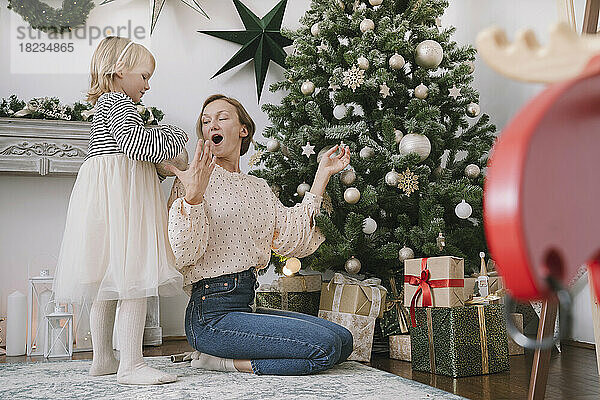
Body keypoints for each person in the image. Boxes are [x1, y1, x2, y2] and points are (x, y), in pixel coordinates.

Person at [165, 94, 354, 375]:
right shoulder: (192, 179)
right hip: (210, 314)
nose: (211, 125)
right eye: (206, 121)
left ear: (243, 129)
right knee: (324, 348)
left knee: (344, 341)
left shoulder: (259, 187)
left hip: (245, 303)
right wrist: (192, 197)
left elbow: (293, 238)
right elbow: (183, 253)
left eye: (221, 118)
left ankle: (218, 356)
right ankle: (221, 362)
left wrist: (322, 174)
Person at [53, 37, 187, 385]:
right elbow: (136, 145)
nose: (148, 84)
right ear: (119, 71)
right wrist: (173, 134)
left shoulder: (103, 107)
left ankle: (103, 358)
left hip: (104, 198)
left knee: (106, 283)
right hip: (124, 198)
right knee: (134, 281)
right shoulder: (121, 104)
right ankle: (131, 364)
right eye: (144, 75)